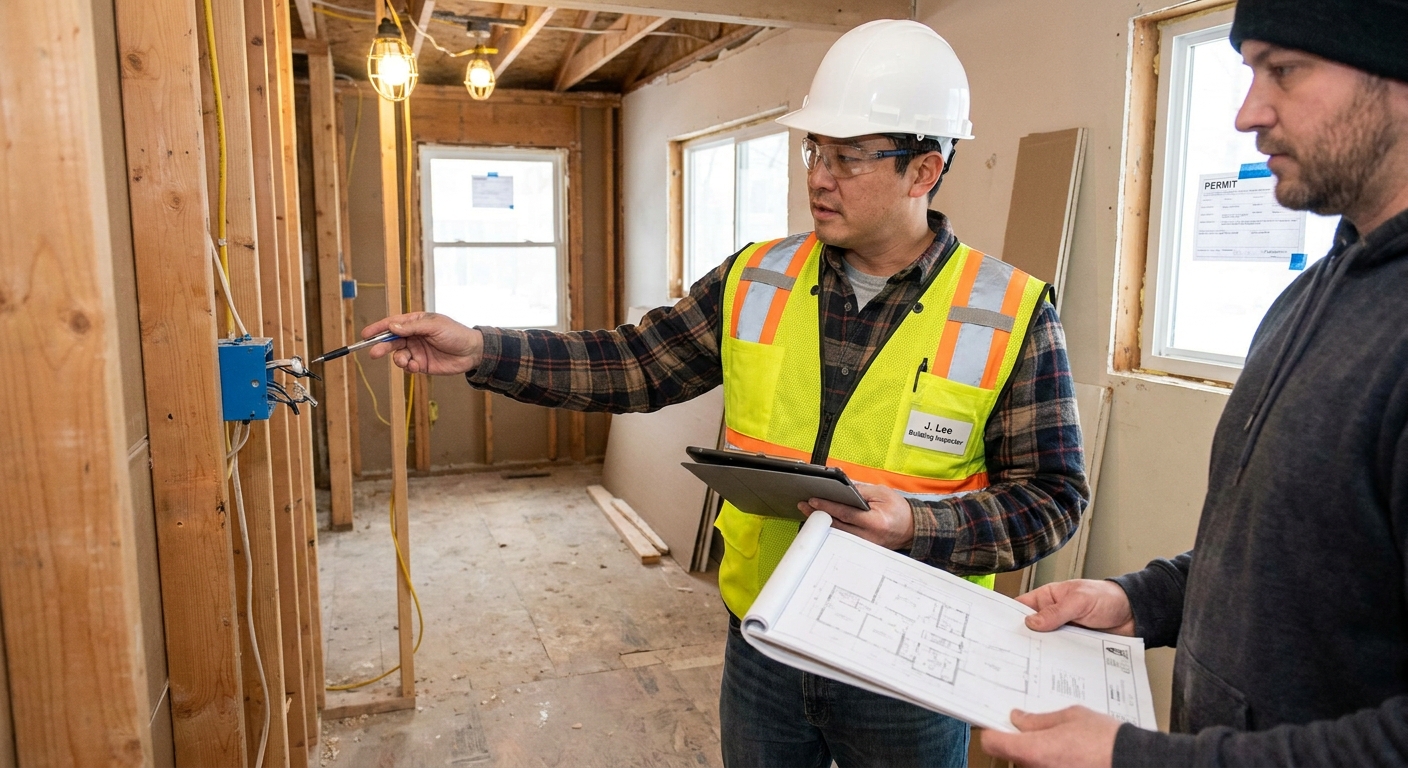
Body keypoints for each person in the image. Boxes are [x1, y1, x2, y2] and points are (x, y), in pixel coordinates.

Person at [368, 19, 1088, 767]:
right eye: (814, 150)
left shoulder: (1008, 310)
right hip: (765, 643)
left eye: (847, 157)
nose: (817, 175)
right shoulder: (758, 278)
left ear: (924, 171)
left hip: (905, 663)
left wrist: (916, 525)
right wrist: (484, 348)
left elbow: (1053, 499)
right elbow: (632, 364)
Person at [980, 1, 1408, 766]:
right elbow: (1290, 554)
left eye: (1283, 69)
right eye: (1249, 71)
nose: (1249, 113)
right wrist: (1139, 601)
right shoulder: (1310, 297)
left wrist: (1136, 759)